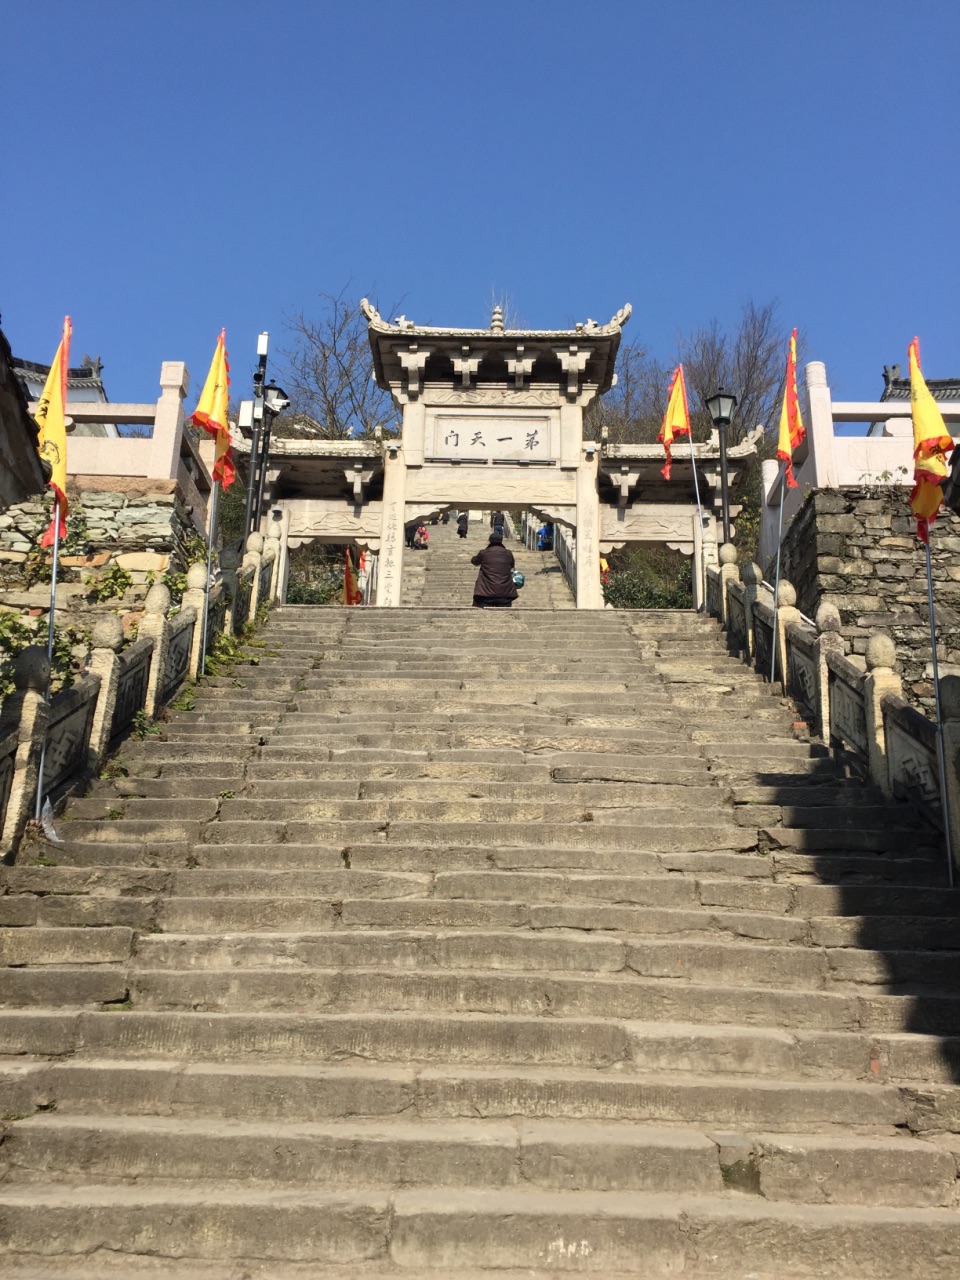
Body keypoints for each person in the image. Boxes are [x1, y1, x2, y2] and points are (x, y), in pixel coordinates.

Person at [470, 530, 518, 608]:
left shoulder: (484, 553)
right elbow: (511, 565)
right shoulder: (508, 553)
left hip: (484, 594)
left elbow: (474, 561)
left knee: (477, 604)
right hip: (505, 594)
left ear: (489, 541)